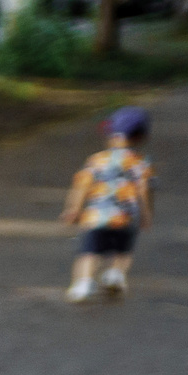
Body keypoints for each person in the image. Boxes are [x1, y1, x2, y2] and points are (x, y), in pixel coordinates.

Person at [62, 105, 154, 301]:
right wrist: (146, 215)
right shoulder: (140, 163)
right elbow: (144, 189)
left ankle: (83, 283)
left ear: (110, 134)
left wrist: (73, 209)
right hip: (125, 218)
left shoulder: (97, 160)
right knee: (122, 251)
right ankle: (116, 274)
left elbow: (82, 185)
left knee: (88, 253)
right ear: (141, 137)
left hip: (96, 217)